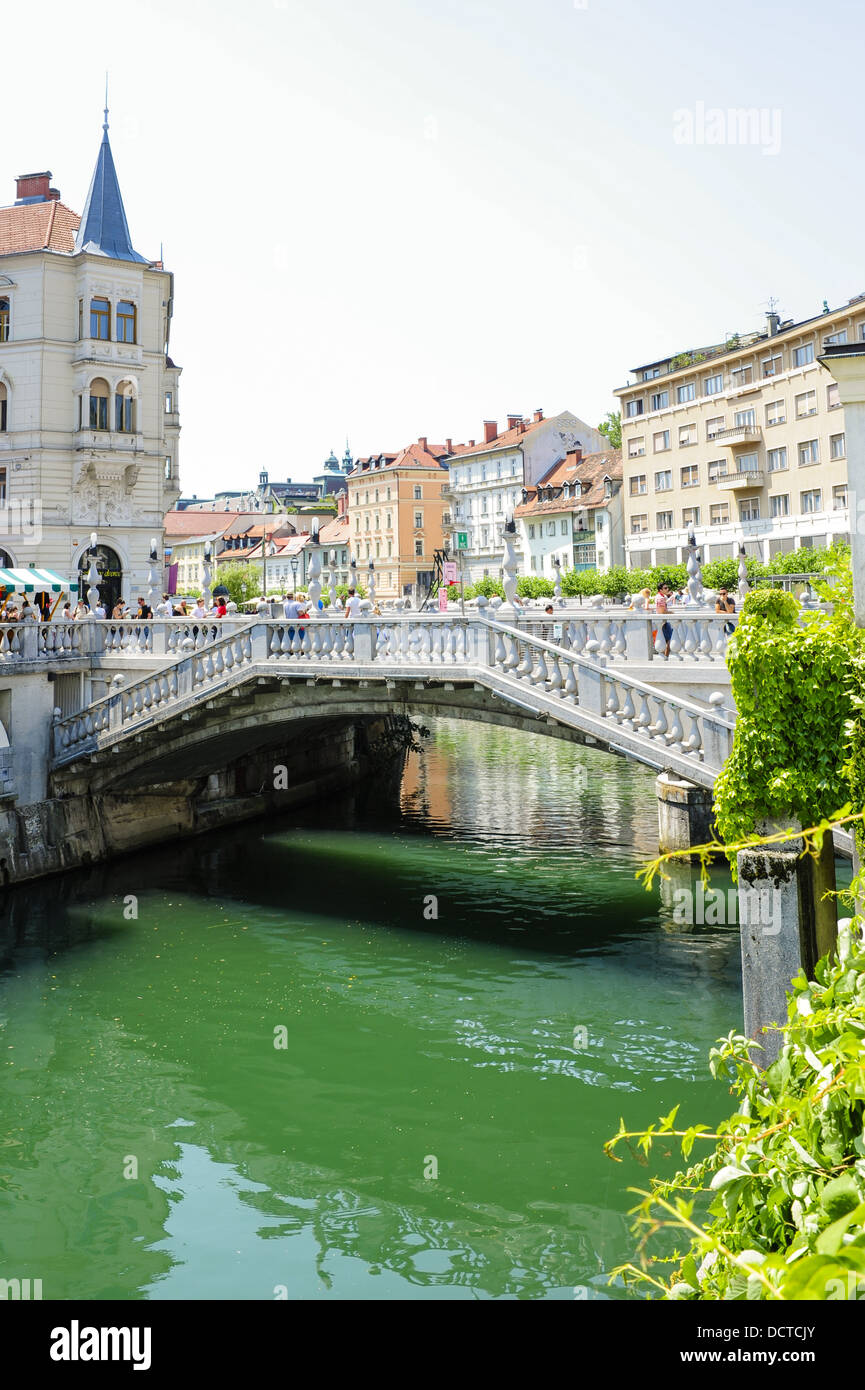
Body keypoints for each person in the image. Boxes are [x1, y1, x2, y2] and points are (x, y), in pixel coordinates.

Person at [655, 581, 674, 658]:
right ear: (660, 590)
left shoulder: (658, 596)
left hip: (661, 622)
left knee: (664, 640)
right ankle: (665, 656)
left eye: (667, 587)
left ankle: (664, 656)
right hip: (663, 622)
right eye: (665, 588)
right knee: (669, 640)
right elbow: (662, 611)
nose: (667, 589)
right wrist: (671, 612)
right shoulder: (661, 598)